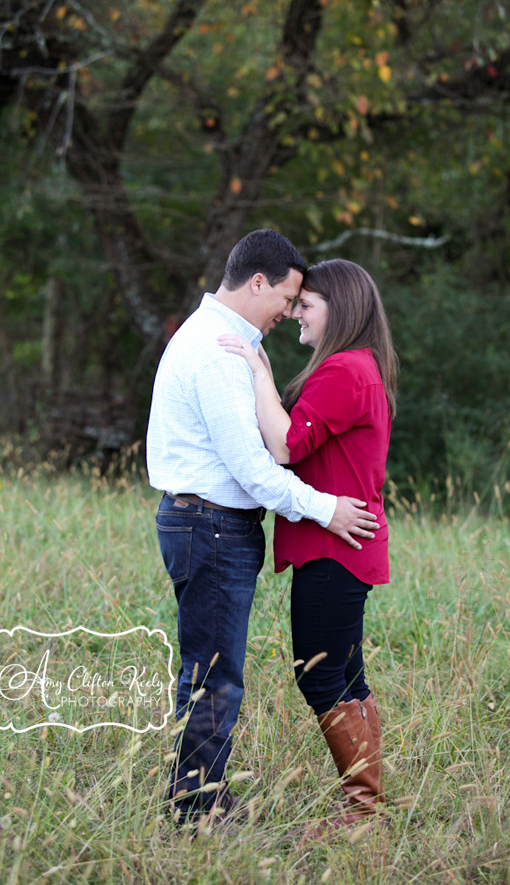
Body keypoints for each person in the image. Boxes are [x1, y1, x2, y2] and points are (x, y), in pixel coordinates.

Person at [146, 230, 380, 826]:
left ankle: (205, 799)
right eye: (288, 297)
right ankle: (199, 811)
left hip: (211, 525)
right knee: (213, 675)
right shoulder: (220, 349)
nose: (288, 311)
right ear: (258, 283)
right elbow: (256, 467)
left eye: (303, 302)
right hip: (211, 525)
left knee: (215, 669)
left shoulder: (221, 342)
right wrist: (326, 508)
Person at [218, 258, 397, 832]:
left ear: (338, 310)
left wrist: (259, 372)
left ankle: (361, 810)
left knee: (319, 674)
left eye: (307, 305)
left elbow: (286, 447)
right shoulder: (357, 367)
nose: (296, 312)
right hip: (342, 546)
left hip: (334, 548)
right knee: (345, 676)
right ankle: (366, 807)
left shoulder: (345, 370)